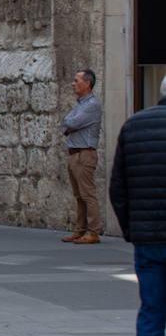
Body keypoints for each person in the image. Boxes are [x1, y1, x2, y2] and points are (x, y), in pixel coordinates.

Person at [109, 74, 166, 336]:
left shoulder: (134, 126)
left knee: (150, 319)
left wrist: (134, 230)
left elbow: (118, 188)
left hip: (149, 242)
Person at [62, 68, 104, 244]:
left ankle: (92, 231)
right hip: (74, 153)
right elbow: (66, 123)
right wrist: (69, 124)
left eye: (77, 80)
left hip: (84, 153)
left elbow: (72, 122)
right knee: (79, 195)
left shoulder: (91, 105)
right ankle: (80, 229)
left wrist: (69, 123)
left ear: (87, 84)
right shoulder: (79, 104)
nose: (73, 84)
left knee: (88, 194)